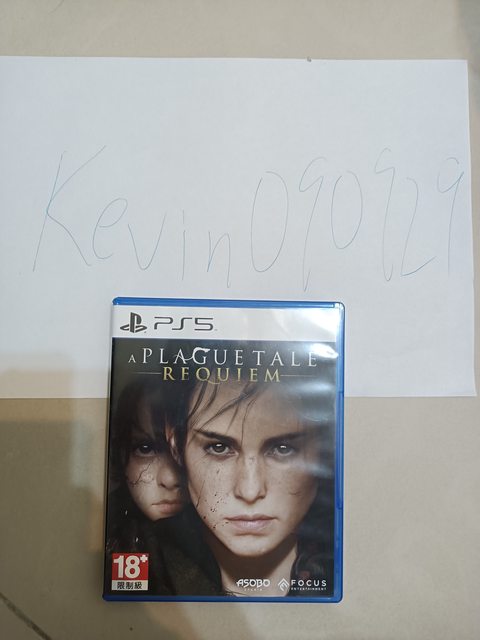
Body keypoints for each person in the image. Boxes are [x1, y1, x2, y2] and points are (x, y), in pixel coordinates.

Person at [171, 373, 335, 597]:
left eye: (283, 449)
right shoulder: (141, 557)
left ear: (324, 452)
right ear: (175, 446)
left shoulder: (350, 562)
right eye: (218, 447)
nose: (250, 491)